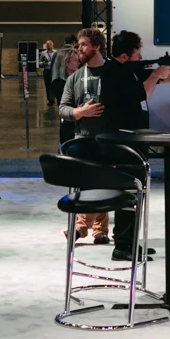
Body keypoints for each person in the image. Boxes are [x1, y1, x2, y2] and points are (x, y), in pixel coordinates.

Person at [91, 29, 170, 262]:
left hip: (133, 140)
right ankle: (123, 245)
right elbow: (142, 93)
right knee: (129, 192)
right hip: (123, 142)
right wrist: (155, 74)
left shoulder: (128, 69)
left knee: (136, 192)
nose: (141, 57)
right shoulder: (113, 71)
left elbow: (163, 77)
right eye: (137, 54)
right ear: (124, 56)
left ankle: (130, 241)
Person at [58, 28, 112, 243]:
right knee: (90, 183)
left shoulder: (113, 74)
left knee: (102, 182)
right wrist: (80, 112)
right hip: (83, 138)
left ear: (96, 47)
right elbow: (63, 108)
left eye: (83, 45)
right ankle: (99, 230)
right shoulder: (75, 78)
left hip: (110, 139)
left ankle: (82, 227)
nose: (78, 48)